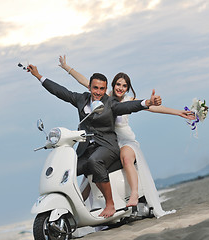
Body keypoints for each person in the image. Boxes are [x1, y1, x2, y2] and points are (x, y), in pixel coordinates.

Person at [58, 55, 195, 217]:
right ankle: (73, 213)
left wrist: (179, 112)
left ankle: (135, 194)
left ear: (128, 88)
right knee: (88, 178)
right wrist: (67, 68)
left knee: (126, 158)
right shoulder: (104, 96)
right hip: (106, 143)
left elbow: (154, 108)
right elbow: (85, 81)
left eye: (124, 86)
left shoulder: (130, 100)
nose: (120, 88)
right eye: (118, 84)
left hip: (126, 142)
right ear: (113, 85)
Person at [26, 64, 162, 218]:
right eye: (95, 88)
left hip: (107, 147)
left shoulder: (110, 103)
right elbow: (60, 91)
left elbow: (127, 106)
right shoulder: (81, 99)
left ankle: (110, 204)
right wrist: (39, 76)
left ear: (105, 89)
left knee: (94, 161)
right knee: (69, 169)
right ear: (90, 87)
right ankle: (70, 208)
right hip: (86, 149)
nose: (98, 92)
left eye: (102, 89)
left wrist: (147, 103)